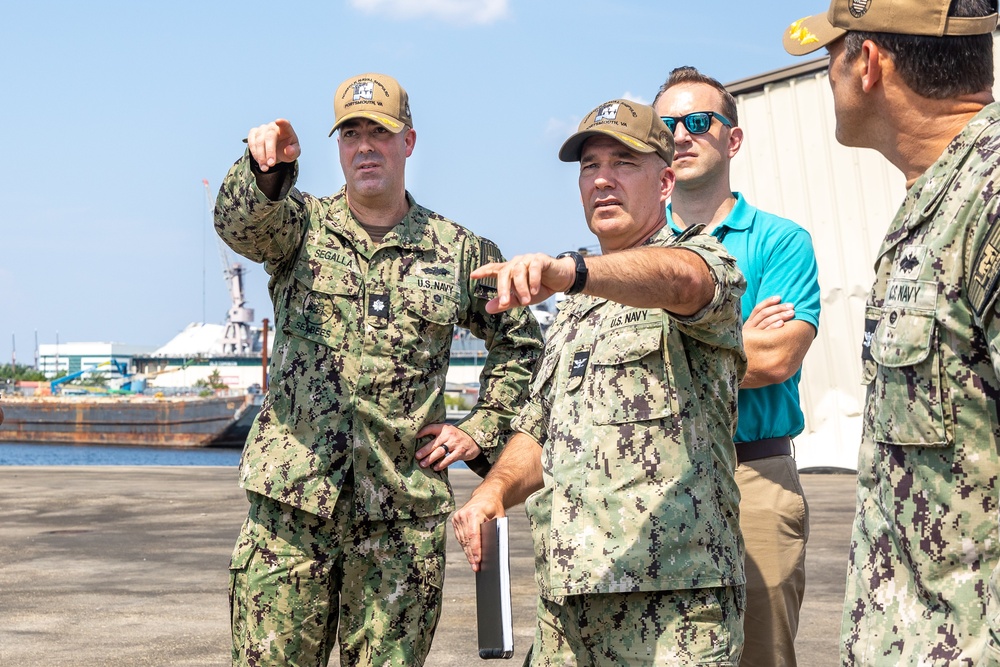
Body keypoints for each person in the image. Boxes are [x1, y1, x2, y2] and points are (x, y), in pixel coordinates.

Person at [215, 72, 544, 667]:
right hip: (292, 513)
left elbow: (520, 344)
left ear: (408, 142)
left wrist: (482, 428)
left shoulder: (458, 251)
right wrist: (264, 172)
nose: (365, 147)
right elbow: (241, 227)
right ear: (338, 147)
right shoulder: (299, 226)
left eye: (380, 133)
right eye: (351, 134)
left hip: (400, 519)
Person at [451, 99, 748, 666]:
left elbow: (683, 281)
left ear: (665, 182)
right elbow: (540, 430)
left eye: (623, 163)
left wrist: (572, 270)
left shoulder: (701, 259)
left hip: (673, 607)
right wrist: (493, 491)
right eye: (590, 166)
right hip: (567, 605)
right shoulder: (575, 308)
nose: (603, 179)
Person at [783, 0, 1000, 663]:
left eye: (831, 53)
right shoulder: (942, 193)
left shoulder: (988, 195)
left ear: (869, 63)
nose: (827, 73)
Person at [652, 67, 821, 667]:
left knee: (761, 655)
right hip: (654, 480)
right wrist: (736, 340)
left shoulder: (781, 242)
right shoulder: (634, 250)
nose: (681, 135)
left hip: (755, 478)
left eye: (699, 122)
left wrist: (661, 351)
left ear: (734, 138)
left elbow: (776, 358)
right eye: (666, 125)